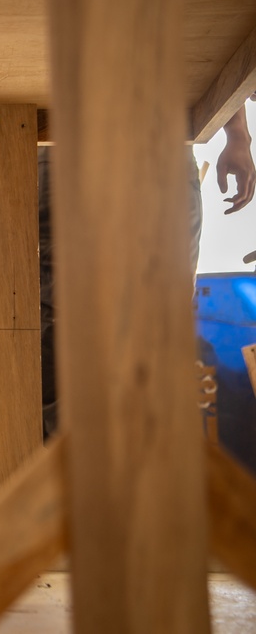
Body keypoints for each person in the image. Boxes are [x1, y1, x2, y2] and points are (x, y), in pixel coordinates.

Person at [40, 98, 255, 439]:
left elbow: (217, 44)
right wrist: (237, 135)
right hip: (64, 134)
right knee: (61, 334)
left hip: (159, 142)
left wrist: (238, 134)